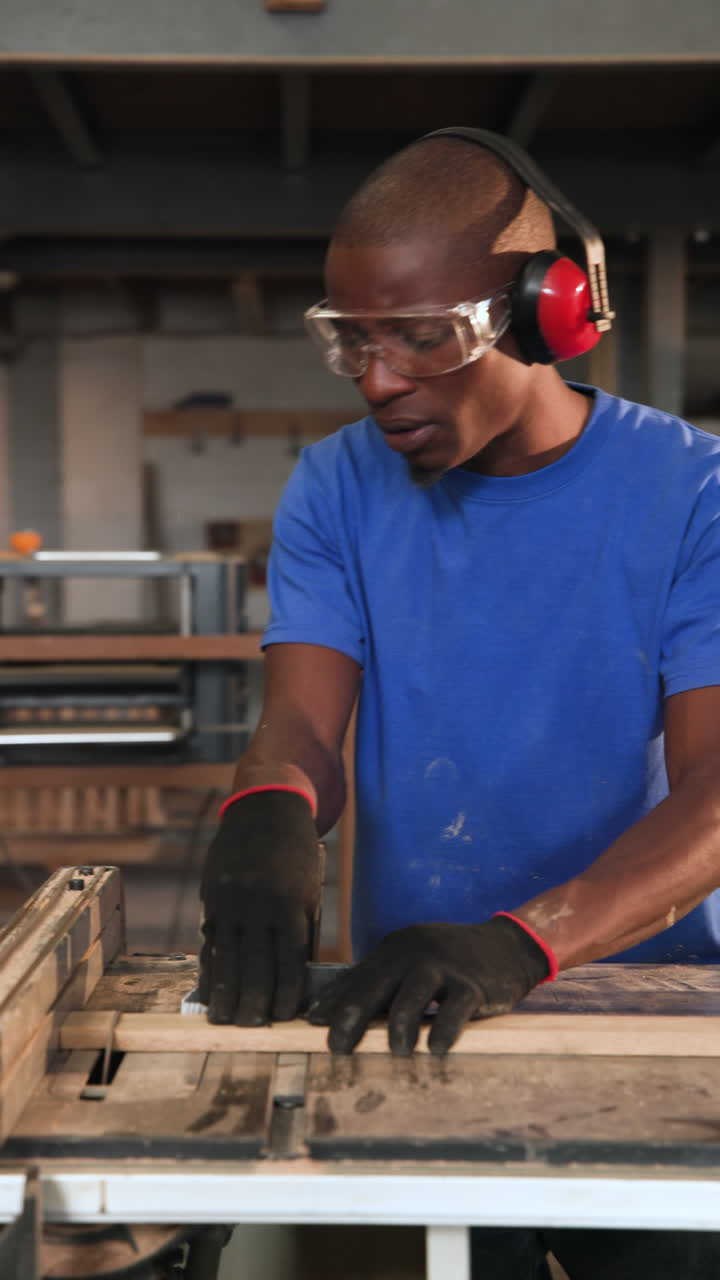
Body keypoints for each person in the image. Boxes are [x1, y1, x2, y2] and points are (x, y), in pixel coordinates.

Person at [198, 130, 720, 1278]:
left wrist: (523, 943)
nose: (381, 380)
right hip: (400, 1011)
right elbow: (302, 722)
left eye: (422, 339)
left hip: (643, 1013)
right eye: (353, 341)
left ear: (552, 314)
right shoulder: (337, 483)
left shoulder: (693, 495)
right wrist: (272, 806)